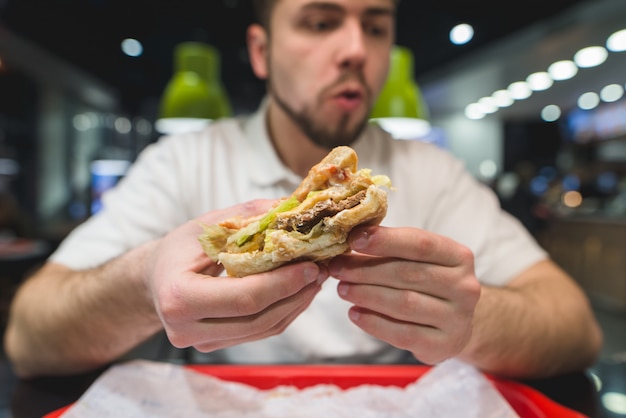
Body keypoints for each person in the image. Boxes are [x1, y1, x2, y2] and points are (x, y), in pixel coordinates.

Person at [4, 0, 602, 379]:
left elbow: (577, 332)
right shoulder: (182, 162)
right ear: (261, 52)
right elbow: (30, 339)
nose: (354, 51)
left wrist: (474, 321)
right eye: (320, 22)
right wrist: (143, 283)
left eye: (375, 26)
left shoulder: (433, 172)